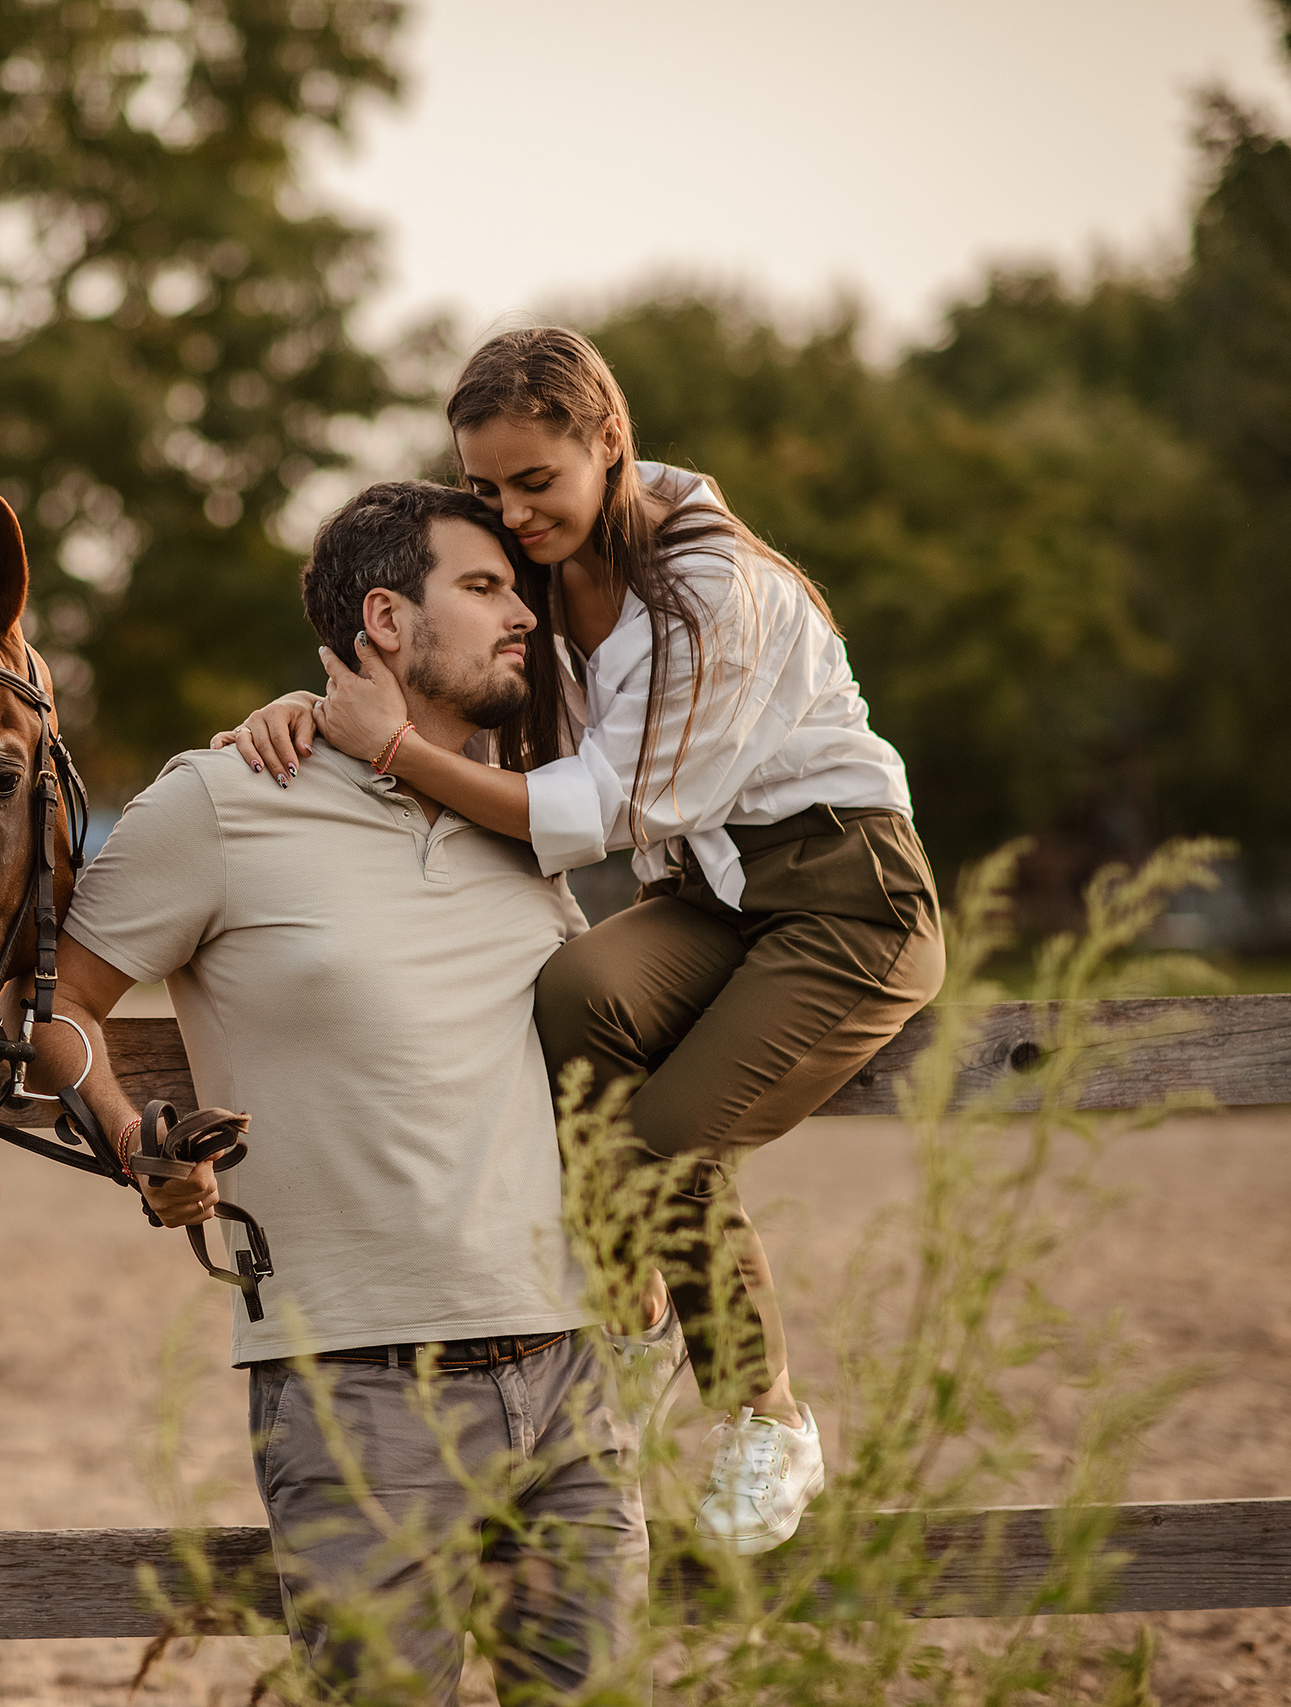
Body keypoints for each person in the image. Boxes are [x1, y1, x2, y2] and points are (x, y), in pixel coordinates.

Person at [216, 325, 947, 1556]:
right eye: (488, 487)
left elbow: (593, 813)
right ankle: (627, 1283)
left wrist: (385, 749)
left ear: (609, 441)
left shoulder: (718, 587)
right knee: (576, 989)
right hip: (711, 898)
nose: (510, 514)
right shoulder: (548, 574)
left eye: (534, 483)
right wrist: (328, 700)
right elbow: (469, 694)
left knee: (661, 1147)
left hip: (844, 892)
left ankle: (764, 1415)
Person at [28, 480, 675, 1703]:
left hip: (575, 1369)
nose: (520, 617)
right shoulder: (220, 800)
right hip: (362, 1389)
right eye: (482, 589)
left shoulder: (529, 811)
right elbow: (56, 1008)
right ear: (385, 618)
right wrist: (132, 1140)